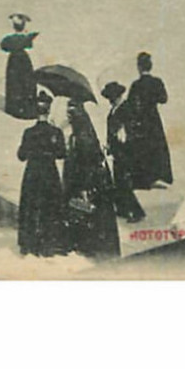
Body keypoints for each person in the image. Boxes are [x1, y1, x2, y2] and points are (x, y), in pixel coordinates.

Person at [62, 99, 121, 259]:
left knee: (90, 213)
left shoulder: (82, 134)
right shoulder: (82, 132)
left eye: (71, 111)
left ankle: (92, 248)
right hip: (92, 179)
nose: (68, 115)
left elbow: (86, 159)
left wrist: (83, 185)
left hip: (89, 180)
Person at [17, 92, 68, 257]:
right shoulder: (56, 131)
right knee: (51, 206)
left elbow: (21, 156)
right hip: (49, 172)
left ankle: (29, 243)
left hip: (32, 172)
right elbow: (62, 154)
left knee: (31, 206)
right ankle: (49, 243)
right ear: (49, 110)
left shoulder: (28, 132)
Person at [122, 52, 172, 189]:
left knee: (142, 148)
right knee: (156, 145)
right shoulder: (156, 82)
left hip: (141, 120)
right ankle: (159, 175)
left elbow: (130, 104)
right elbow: (164, 99)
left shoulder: (136, 85)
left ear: (139, 67)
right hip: (153, 118)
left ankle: (145, 179)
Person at [100, 82, 145, 223]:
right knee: (119, 180)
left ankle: (136, 212)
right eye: (109, 97)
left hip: (126, 150)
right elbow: (111, 131)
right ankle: (123, 209)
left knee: (123, 181)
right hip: (117, 149)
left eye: (112, 96)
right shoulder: (113, 111)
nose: (110, 100)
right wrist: (109, 145)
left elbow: (134, 127)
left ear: (118, 95)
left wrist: (125, 132)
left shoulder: (126, 108)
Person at [1, 15, 40, 119]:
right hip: (23, 60)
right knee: (26, 82)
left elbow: (3, 46)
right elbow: (29, 45)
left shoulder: (9, 39)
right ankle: (27, 107)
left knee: (14, 83)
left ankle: (14, 107)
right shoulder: (26, 38)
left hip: (13, 60)